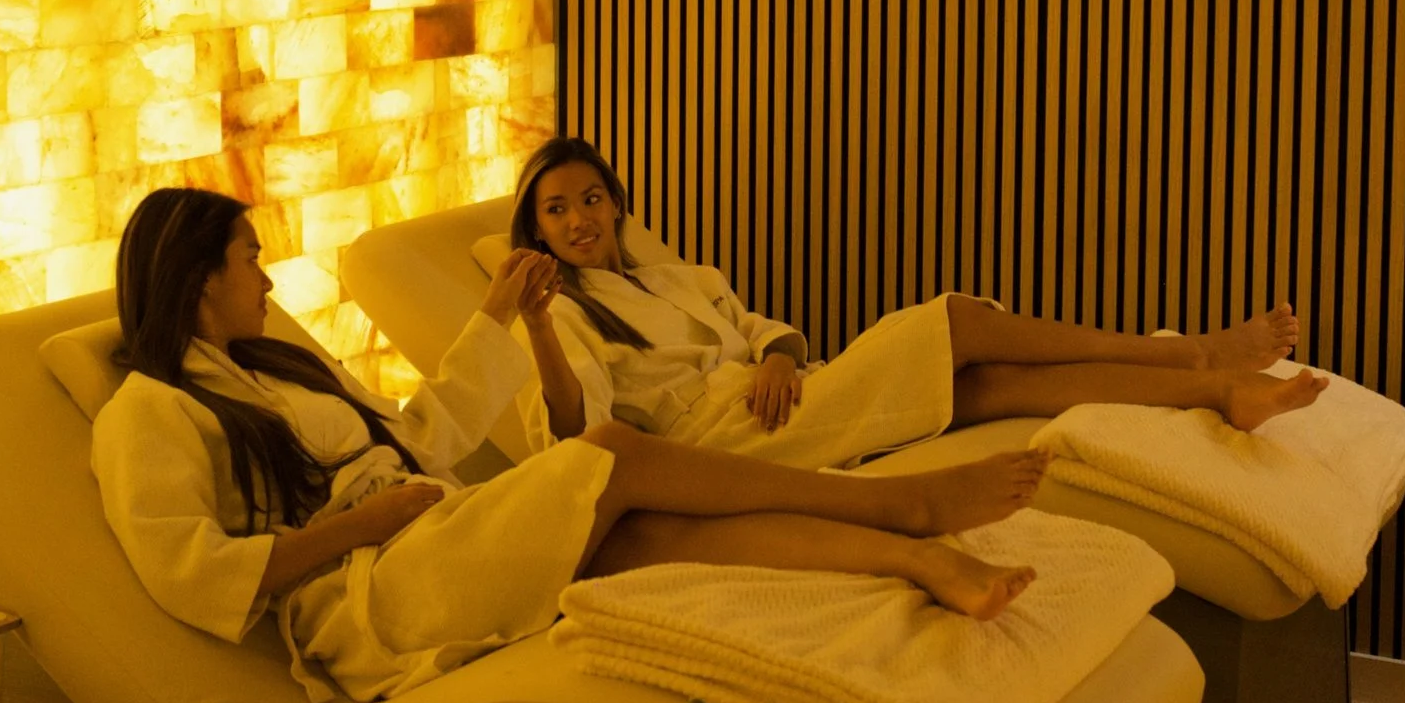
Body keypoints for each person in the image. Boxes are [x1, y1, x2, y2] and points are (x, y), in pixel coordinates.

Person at [89, 187, 1051, 703]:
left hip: (432, 534)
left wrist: (500, 313)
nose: (264, 275)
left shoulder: (276, 365)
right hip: (366, 598)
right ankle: (901, 505)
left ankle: (918, 556)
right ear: (198, 274)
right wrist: (372, 520)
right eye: (249, 256)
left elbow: (420, 434)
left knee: (647, 534)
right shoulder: (148, 411)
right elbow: (194, 572)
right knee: (614, 452)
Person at [507, 137, 1329, 469]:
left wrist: (779, 356)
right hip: (733, 440)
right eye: (556, 209)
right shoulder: (569, 313)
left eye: (590, 198)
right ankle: (1188, 351)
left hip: (788, 392)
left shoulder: (675, 274)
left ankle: (1220, 388)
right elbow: (579, 432)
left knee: (992, 387)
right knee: (959, 321)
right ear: (538, 230)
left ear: (616, 202)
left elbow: (765, 327)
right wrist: (539, 323)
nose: (578, 219)